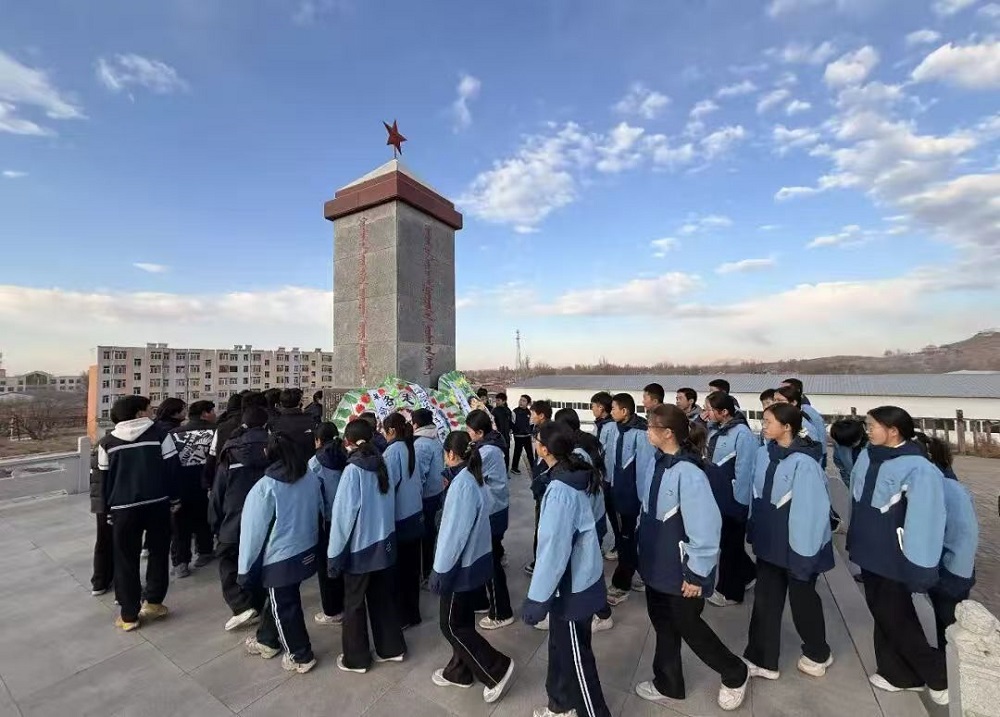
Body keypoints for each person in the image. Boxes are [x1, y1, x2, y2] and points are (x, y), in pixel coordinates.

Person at [635, 404, 749, 712]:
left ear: (668, 433)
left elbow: (706, 528)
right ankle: (668, 682)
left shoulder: (690, 473)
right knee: (663, 623)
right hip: (656, 563)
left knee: (689, 626)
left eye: (651, 427)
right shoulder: (658, 462)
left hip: (681, 570)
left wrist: (697, 574)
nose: (647, 432)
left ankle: (735, 672)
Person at [847, 406, 948, 705]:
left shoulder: (919, 469)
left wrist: (921, 566)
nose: (867, 430)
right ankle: (898, 674)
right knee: (883, 611)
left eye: (872, 426)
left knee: (896, 615)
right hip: (869, 548)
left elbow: (926, 520)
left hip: (894, 554)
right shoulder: (868, 455)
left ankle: (938, 674)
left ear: (893, 431)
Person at [524, 422, 613, 717]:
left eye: (537, 440)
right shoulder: (573, 473)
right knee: (561, 648)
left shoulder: (562, 490)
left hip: (572, 585)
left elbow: (553, 551)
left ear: (545, 449)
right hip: (573, 579)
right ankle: (560, 704)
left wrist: (537, 599)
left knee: (577, 661)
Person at [743, 403, 834, 683]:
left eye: (768, 421)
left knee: (802, 602)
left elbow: (811, 513)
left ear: (787, 427)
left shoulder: (804, 464)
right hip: (769, 543)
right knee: (765, 602)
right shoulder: (763, 454)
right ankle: (762, 659)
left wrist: (804, 555)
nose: (763, 426)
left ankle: (818, 652)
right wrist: (753, 526)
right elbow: (756, 494)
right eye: (763, 421)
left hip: (798, 547)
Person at [428, 430, 516, 705]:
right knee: (462, 620)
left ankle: (496, 669)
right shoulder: (472, 477)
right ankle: (459, 671)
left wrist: (440, 571)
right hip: (474, 560)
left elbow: (453, 535)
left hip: (459, 566)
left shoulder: (462, 485)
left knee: (450, 625)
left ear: (450, 454)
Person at [238, 431, 322, 674]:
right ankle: (267, 640)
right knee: (279, 600)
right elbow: (320, 507)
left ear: (268, 453)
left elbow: (252, 533)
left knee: (285, 606)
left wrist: (244, 569)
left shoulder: (265, 488)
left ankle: (300, 655)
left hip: (279, 557)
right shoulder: (310, 476)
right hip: (306, 547)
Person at [327, 419, 406, 674]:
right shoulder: (383, 462)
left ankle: (356, 659)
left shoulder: (353, 471)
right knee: (382, 598)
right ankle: (392, 648)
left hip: (360, 549)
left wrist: (334, 555)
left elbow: (343, 518)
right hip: (385, 542)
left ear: (347, 442)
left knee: (354, 604)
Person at [97, 395, 179, 631]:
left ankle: (129, 615)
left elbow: (103, 480)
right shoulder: (160, 436)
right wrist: (175, 498)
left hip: (123, 509)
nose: (152, 412)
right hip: (157, 504)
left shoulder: (107, 442)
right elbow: (172, 470)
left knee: (125, 560)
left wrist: (107, 510)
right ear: (139, 413)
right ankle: (153, 602)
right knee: (158, 554)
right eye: (149, 409)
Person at [551, 408, 614, 634]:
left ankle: (603, 613)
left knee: (587, 570)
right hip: (592, 518)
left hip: (589, 521)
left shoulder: (578, 454)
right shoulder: (582, 447)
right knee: (586, 567)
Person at [210, 407, 269, 632]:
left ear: (243, 425)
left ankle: (241, 604)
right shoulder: (276, 447)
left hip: (234, 518)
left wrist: (215, 522)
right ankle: (257, 603)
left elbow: (218, 491)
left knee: (228, 560)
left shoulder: (232, 451)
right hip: (267, 517)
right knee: (261, 560)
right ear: (266, 425)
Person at [918, 435, 978, 649]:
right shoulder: (950, 485)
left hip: (950, 571)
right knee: (947, 623)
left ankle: (951, 663)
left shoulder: (942, 489)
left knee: (950, 626)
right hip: (957, 568)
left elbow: (958, 533)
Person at [703, 392, 757, 607]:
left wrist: (741, 504)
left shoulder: (742, 434)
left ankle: (730, 592)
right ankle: (749, 573)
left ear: (724, 412)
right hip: (717, 498)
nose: (706, 413)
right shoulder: (714, 430)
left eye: (709, 409)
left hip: (733, 502)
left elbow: (745, 472)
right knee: (727, 543)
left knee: (730, 548)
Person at [600, 392, 652, 606]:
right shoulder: (613, 429)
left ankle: (621, 584)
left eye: (613, 408)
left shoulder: (641, 434)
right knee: (624, 539)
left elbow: (644, 471)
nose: (610, 411)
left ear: (625, 411)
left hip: (631, 497)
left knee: (627, 540)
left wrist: (642, 501)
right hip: (614, 492)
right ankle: (646, 574)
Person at [466, 409, 515, 630]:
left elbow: (468, 473)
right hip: (493, 508)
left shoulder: (487, 451)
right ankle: (482, 601)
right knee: (484, 557)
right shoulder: (488, 444)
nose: (468, 434)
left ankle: (501, 611)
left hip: (492, 511)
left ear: (479, 432)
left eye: (469, 431)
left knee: (491, 562)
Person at [382, 412, 425, 629]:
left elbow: (387, 488)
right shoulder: (410, 446)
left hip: (400, 518)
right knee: (412, 569)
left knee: (399, 572)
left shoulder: (392, 452)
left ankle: (402, 617)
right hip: (415, 514)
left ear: (391, 430)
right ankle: (413, 613)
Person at [169, 400, 217, 577]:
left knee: (180, 525)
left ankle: (180, 562)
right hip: (206, 483)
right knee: (204, 519)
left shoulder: (174, 434)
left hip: (180, 484)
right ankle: (204, 552)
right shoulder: (215, 431)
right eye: (212, 411)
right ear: (205, 413)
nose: (215, 414)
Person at [308, 422, 348, 626]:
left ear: (318, 440)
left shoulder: (315, 462)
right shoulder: (346, 455)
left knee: (326, 566)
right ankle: (348, 603)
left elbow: (312, 495)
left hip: (326, 521)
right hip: (347, 517)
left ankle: (332, 610)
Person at [412, 409, 445, 585]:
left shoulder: (421, 444)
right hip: (436, 491)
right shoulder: (435, 438)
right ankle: (428, 568)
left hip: (426, 496)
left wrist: (414, 497)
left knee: (425, 534)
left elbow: (419, 476)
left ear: (416, 424)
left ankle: (425, 572)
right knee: (431, 530)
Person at [205, 392, 263, 491]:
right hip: (255, 479)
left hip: (227, 479)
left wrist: (209, 483)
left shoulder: (222, 427)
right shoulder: (257, 422)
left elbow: (212, 457)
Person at [591, 391, 620, 561]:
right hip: (603, 477)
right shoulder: (600, 425)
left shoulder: (611, 427)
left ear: (601, 407)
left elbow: (607, 454)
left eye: (593, 406)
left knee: (614, 513)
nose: (592, 410)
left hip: (610, 477)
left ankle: (620, 545)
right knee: (604, 510)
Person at [526, 399, 553, 576]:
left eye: (532, 414)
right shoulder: (539, 430)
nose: (530, 417)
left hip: (544, 487)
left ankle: (540, 562)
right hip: (540, 486)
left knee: (543, 527)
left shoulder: (548, 434)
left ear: (541, 415)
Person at [775, 384, 828, 467]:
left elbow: (814, 459)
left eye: (780, 400)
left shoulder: (803, 426)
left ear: (793, 402)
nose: (775, 404)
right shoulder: (780, 422)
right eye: (774, 400)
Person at [88, 438, 114, 596]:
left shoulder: (102, 444)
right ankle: (116, 584)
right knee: (118, 542)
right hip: (112, 500)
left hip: (100, 500)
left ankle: (99, 582)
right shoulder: (112, 444)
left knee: (103, 540)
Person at [270, 389, 316, 460]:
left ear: (281, 403)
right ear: (300, 402)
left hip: (282, 462)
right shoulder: (311, 420)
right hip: (306, 461)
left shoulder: (275, 422)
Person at [830, 417, 867, 486]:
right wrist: (849, 485)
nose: (850, 446)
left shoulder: (873, 445)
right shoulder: (840, 445)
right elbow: (842, 468)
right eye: (846, 444)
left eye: (852, 443)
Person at [510, 394, 533, 475]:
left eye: (524, 401)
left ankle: (533, 468)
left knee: (530, 453)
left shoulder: (529, 412)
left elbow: (531, 424)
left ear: (528, 403)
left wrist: (530, 432)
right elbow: (512, 423)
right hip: (518, 436)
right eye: (520, 400)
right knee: (517, 452)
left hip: (527, 436)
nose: (521, 402)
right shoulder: (514, 412)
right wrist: (515, 431)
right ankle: (514, 468)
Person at [491, 392, 513, 470]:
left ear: (504, 401)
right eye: (496, 400)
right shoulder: (494, 411)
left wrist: (511, 431)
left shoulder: (508, 411)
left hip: (506, 436)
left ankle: (506, 469)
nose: (497, 402)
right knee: (498, 454)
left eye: (499, 400)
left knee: (506, 454)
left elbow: (510, 423)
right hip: (497, 436)